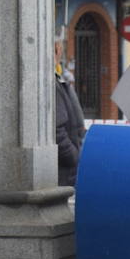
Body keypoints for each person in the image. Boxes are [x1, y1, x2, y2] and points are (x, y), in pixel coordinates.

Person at [54, 37, 86, 187]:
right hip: (62, 173)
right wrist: (74, 156)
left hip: (67, 173)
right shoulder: (51, 83)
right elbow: (57, 131)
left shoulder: (58, 81)